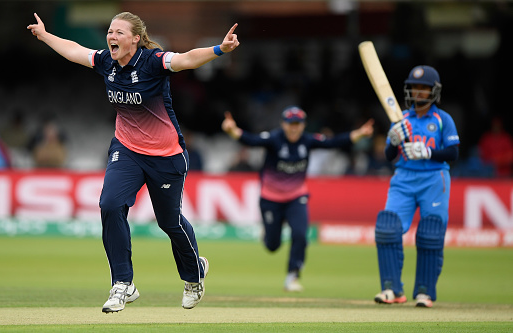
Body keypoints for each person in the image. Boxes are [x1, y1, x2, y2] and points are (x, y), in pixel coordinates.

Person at [28, 12, 239, 312]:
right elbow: (76, 52)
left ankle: (194, 275)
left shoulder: (153, 62)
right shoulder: (107, 62)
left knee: (170, 221)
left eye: (119, 33)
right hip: (126, 150)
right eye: (110, 31)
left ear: (135, 39)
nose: (111, 37)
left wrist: (220, 50)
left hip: (165, 156)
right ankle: (122, 284)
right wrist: (46, 35)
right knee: (110, 205)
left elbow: (187, 60)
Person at [221, 106, 373, 291]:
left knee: (300, 234)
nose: (294, 128)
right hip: (270, 198)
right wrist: (232, 130)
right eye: (291, 124)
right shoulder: (274, 139)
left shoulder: (307, 140)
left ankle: (293, 275)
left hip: (296, 197)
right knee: (272, 246)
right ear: (283, 124)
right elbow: (250, 140)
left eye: (298, 124)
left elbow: (333, 142)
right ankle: (268, 234)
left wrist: (360, 133)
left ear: (303, 125)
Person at [373, 65, 459, 308]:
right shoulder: (401, 119)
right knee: (388, 228)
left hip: (434, 179)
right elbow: (390, 155)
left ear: (434, 91)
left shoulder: (443, 119)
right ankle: (391, 289)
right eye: (414, 87)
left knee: (430, 233)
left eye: (423, 88)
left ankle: (425, 292)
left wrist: (429, 152)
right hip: (404, 179)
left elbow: (452, 153)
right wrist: (393, 140)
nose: (418, 92)